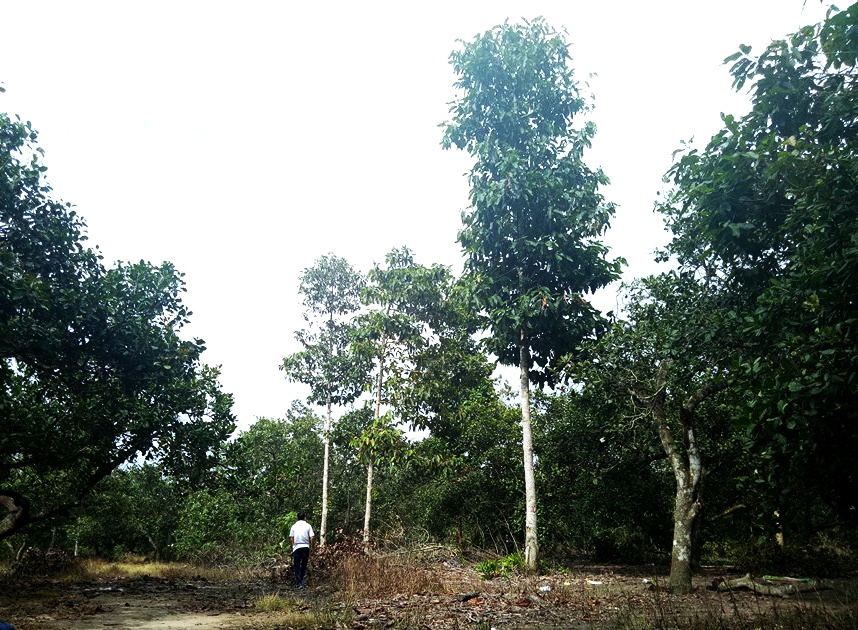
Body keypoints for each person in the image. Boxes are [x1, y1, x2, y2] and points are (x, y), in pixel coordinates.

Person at [289, 512, 315, 589]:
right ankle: (301, 581)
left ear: (297, 517)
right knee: (304, 564)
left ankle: (299, 581)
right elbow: (312, 537)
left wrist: (292, 548)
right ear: (305, 517)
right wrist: (312, 547)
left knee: (297, 565)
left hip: (297, 547)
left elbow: (291, 538)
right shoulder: (308, 526)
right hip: (305, 546)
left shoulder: (294, 526)